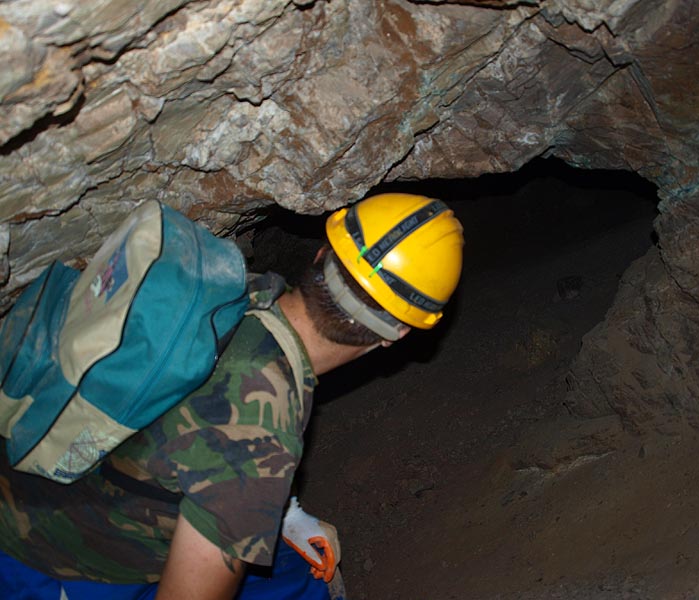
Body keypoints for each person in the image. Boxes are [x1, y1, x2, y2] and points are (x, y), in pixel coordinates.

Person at [0, 193, 464, 599]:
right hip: (45, 556)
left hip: (40, 468)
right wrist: (257, 488)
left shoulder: (243, 293)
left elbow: (203, 424)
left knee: (300, 579)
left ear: (322, 253)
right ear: (398, 332)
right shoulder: (261, 435)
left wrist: (286, 512)